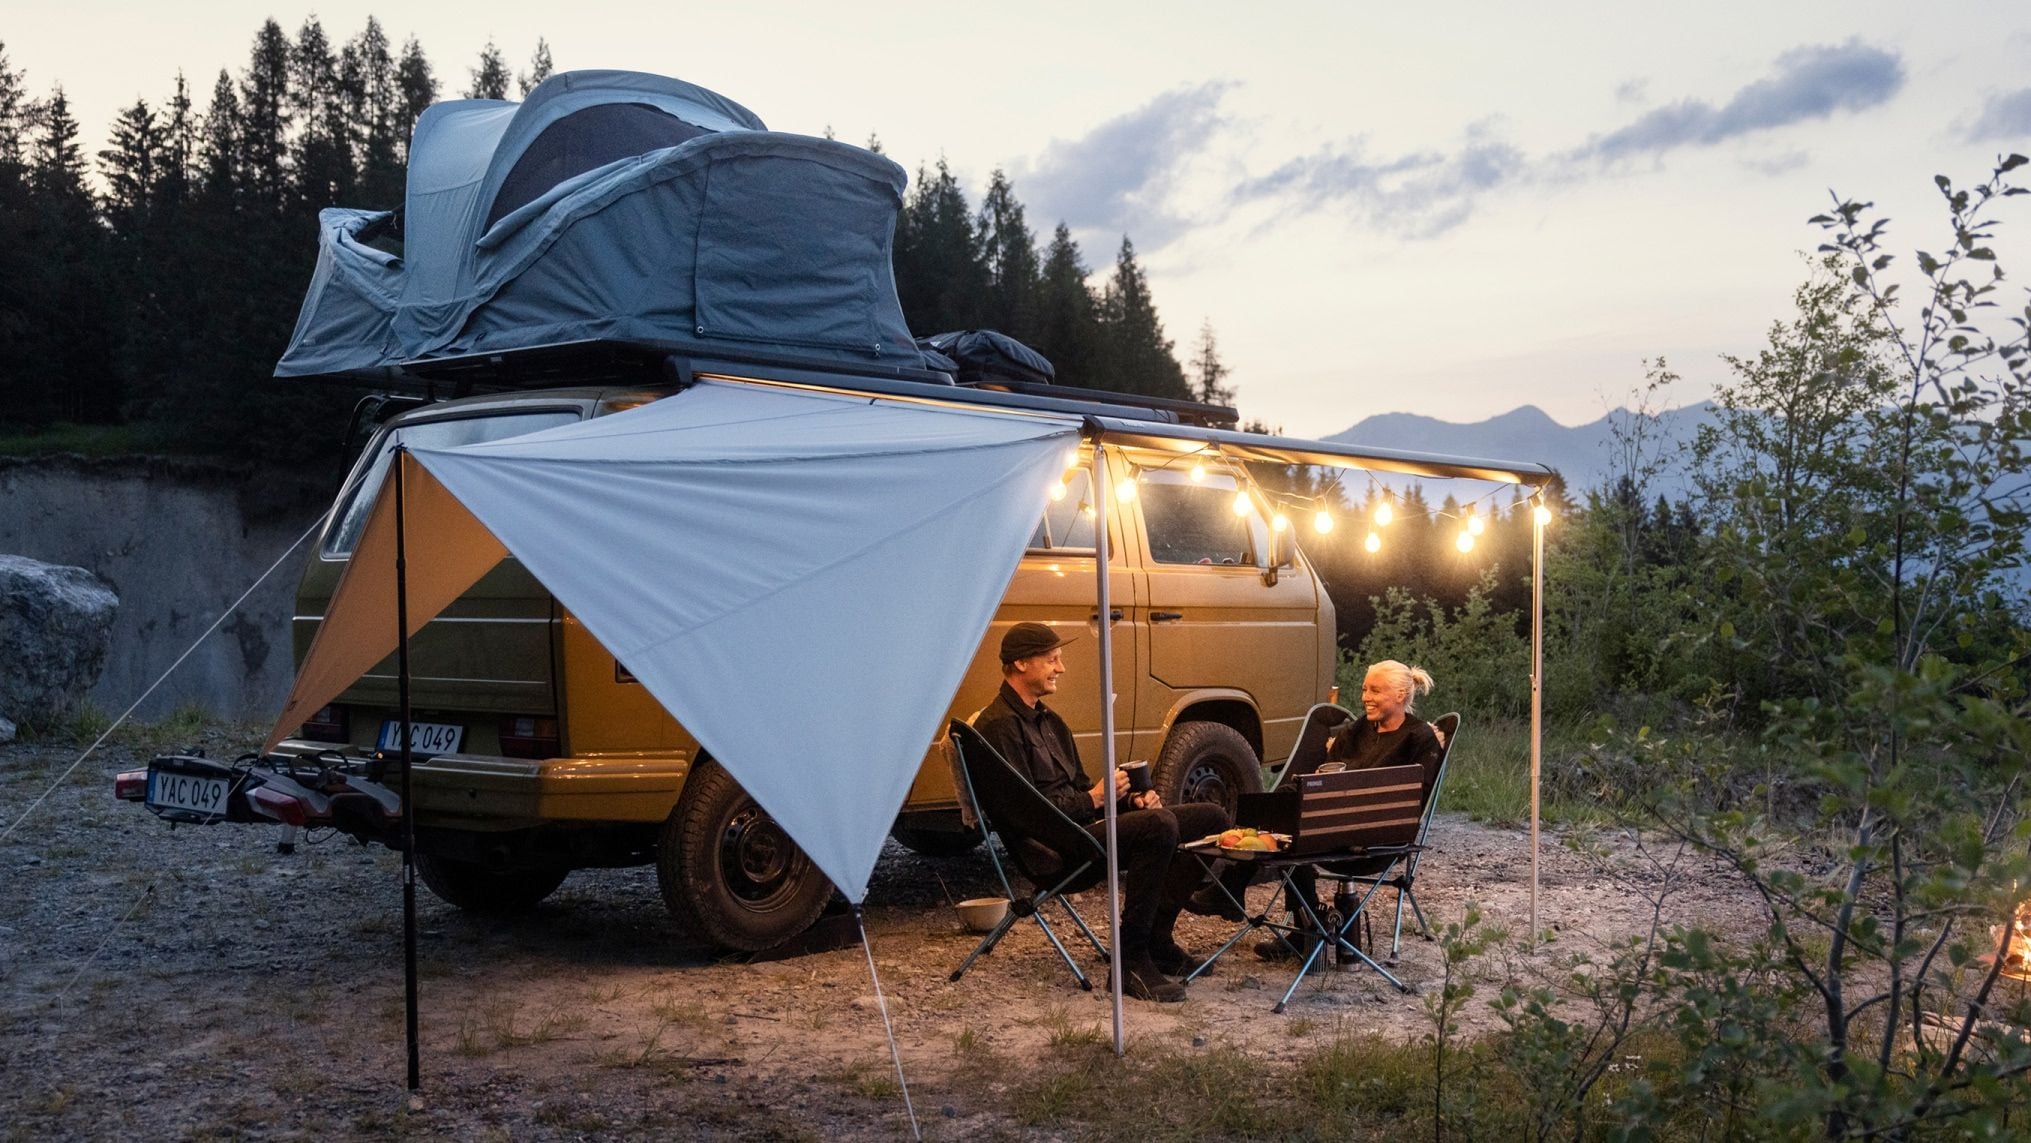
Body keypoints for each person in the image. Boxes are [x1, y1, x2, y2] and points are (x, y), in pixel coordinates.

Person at [973, 622, 1247, 1003]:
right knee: (1160, 825)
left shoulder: (1051, 722)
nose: (1061, 668)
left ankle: (1156, 938)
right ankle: (1130, 963)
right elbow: (1026, 813)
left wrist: (1125, 800)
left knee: (1211, 817)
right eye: (1052, 660)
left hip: (1082, 829)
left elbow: (1082, 787)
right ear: (1021, 663)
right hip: (1053, 849)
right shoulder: (998, 727)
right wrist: (1096, 800)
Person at [1258, 659, 1442, 961]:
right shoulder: (1358, 730)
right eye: (1364, 689)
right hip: (1335, 817)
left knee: (1293, 836)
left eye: (1375, 691)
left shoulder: (1419, 738)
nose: (1365, 697)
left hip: (1376, 834)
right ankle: (1307, 923)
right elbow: (1331, 768)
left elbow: (1413, 799)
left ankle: (1306, 931)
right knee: (1284, 803)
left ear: (1399, 695)